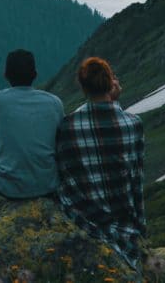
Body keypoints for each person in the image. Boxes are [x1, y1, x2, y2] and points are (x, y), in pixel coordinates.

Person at [56, 57, 146, 269]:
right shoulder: (133, 124)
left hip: (87, 226)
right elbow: (137, 183)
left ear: (83, 87)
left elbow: (63, 178)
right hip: (126, 230)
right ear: (111, 83)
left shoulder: (67, 127)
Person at [0, 49, 64, 210]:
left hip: (10, 189)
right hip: (49, 186)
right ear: (35, 74)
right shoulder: (54, 102)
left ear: (6, 75)